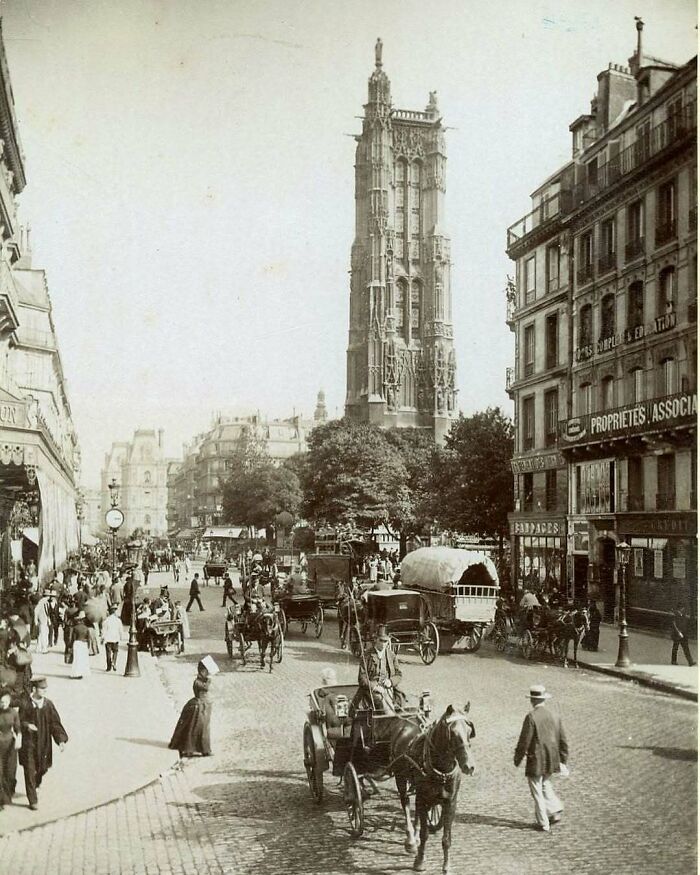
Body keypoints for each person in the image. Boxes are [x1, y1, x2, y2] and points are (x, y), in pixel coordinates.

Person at [514, 683, 569, 832]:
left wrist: (517, 758)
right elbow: (563, 739)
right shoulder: (555, 715)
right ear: (544, 699)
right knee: (545, 784)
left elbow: (524, 741)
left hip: (536, 759)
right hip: (552, 758)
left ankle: (543, 822)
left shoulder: (531, 717)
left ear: (532, 700)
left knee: (536, 789)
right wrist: (563, 759)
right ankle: (556, 809)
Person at [18, 677, 68, 810]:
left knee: (42, 768)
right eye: (42, 689)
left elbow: (55, 724)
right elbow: (19, 720)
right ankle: (33, 800)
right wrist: (27, 725)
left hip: (44, 742)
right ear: (34, 689)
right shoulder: (25, 703)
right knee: (29, 770)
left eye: (46, 689)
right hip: (28, 743)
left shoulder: (48, 705)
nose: (45, 691)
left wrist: (61, 740)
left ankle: (37, 783)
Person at [355, 625, 405, 713]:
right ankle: (389, 720)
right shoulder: (367, 656)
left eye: (385, 641)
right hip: (371, 690)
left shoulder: (391, 655)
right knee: (383, 704)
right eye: (381, 640)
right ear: (375, 640)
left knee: (402, 703)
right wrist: (374, 687)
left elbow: (398, 674)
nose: (383, 644)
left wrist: (390, 681)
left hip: (389, 687)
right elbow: (362, 678)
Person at [168, 660, 213, 757]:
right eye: (205, 671)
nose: (207, 673)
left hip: (205, 705)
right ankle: (194, 748)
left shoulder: (202, 680)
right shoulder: (197, 682)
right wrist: (209, 680)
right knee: (198, 727)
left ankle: (204, 749)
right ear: (201, 671)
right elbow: (206, 688)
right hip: (199, 706)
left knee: (204, 728)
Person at [0, 686, 19, 808]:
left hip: (11, 746)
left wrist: (19, 739)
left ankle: (9, 792)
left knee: (10, 773)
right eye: (1, 702)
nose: (3, 704)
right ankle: (3, 800)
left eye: (6, 702)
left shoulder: (14, 713)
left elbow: (18, 728)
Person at [102, 604, 123, 672]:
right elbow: (120, 630)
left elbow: (104, 630)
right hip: (115, 638)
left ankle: (109, 667)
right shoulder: (118, 620)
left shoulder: (106, 620)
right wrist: (121, 637)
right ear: (114, 612)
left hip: (108, 639)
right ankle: (114, 662)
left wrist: (102, 638)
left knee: (108, 653)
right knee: (115, 651)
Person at [70, 611, 91, 679]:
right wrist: (88, 646)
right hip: (84, 644)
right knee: (83, 659)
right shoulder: (86, 628)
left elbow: (73, 638)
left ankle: (76, 673)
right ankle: (82, 672)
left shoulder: (75, 628)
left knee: (76, 659)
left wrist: (70, 646)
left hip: (77, 643)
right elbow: (88, 638)